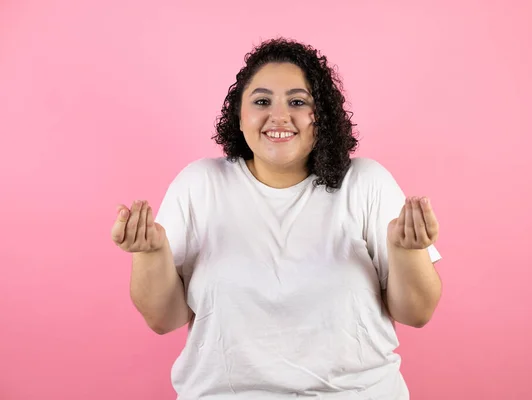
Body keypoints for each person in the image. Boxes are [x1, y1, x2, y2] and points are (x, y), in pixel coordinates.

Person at [111, 37, 443, 400]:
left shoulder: (365, 183)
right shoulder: (200, 184)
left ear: (323, 117)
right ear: (240, 116)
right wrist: (149, 254)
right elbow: (164, 319)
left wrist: (407, 252)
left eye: (298, 102)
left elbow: (417, 313)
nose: (279, 116)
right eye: (262, 101)